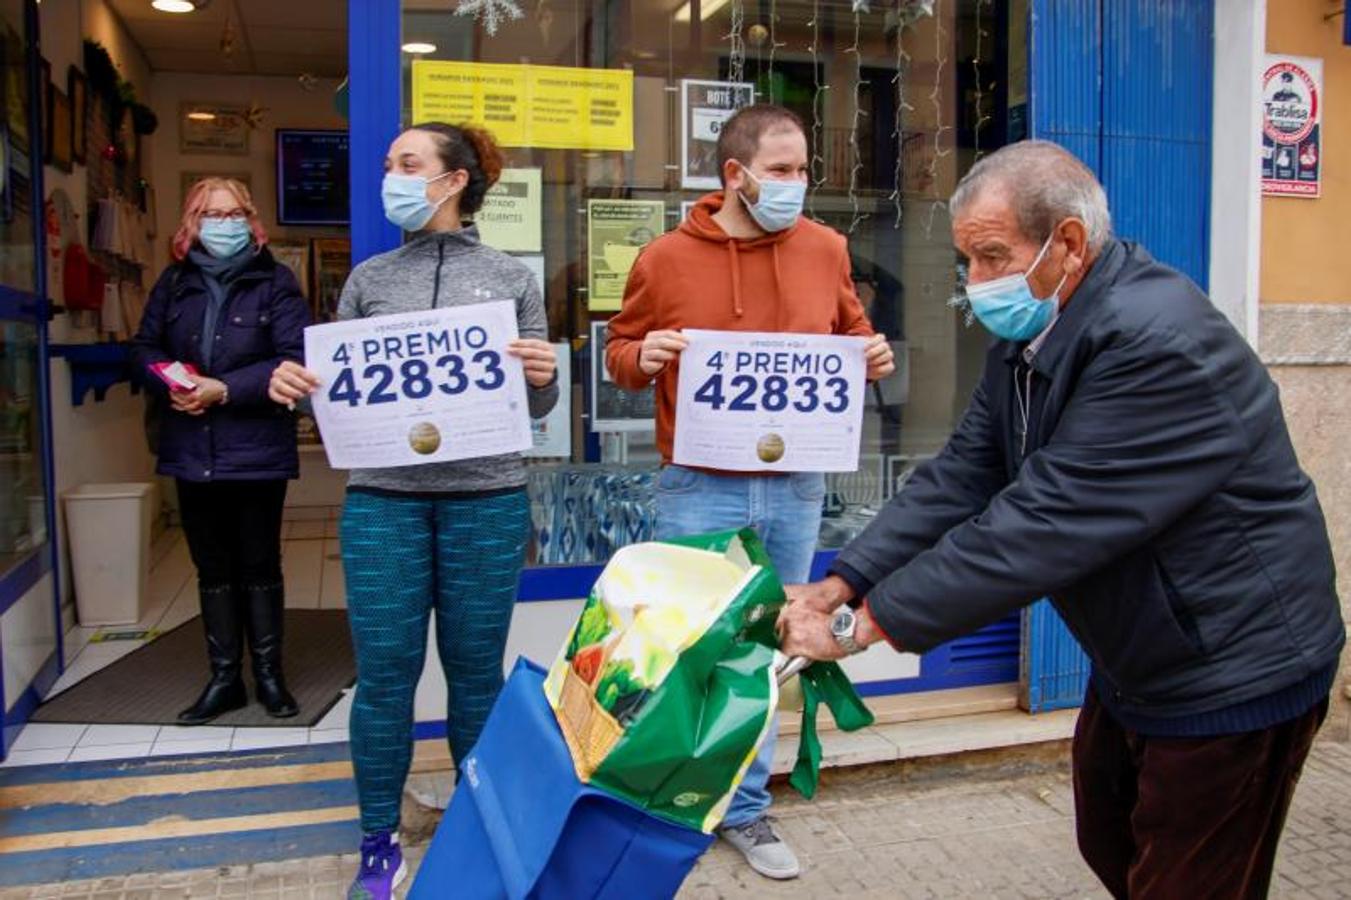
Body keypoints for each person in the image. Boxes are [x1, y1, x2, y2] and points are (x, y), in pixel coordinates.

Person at [777, 140, 1344, 899]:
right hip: (1143, 657)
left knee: (1189, 881)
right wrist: (840, 583)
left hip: (1233, 665)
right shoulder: (1033, 336)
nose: (974, 284)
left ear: (1066, 244)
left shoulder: (1155, 342)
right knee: (1109, 839)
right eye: (965, 263)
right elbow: (964, 472)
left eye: (989, 257)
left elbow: (1039, 524)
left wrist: (859, 628)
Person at [267, 123, 559, 900]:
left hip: (486, 501)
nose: (389, 176)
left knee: (475, 676)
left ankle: (474, 823)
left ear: (453, 179)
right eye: (389, 164)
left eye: (406, 164)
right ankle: (376, 838)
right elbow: (347, 392)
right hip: (384, 504)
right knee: (386, 678)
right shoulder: (369, 277)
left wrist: (542, 372)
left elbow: (540, 402)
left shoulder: (510, 278)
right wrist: (300, 386)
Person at [605, 103, 896, 881]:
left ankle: (745, 809)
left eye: (802, 170)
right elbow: (619, 354)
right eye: (780, 170)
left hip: (796, 480)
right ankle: (666, 797)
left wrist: (870, 354)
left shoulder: (826, 248)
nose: (795, 184)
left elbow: (855, 334)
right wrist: (646, 353)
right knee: (684, 643)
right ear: (733, 175)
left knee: (772, 643)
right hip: (699, 481)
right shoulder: (663, 258)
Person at [131, 178, 309, 726]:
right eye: (211, 213)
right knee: (211, 567)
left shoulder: (276, 282)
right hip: (191, 446)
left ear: (251, 221)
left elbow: (293, 357)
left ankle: (270, 677)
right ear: (192, 221)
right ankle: (225, 679)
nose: (224, 222)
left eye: (234, 213)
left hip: (254, 447)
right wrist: (172, 383)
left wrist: (224, 388)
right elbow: (144, 346)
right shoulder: (174, 282)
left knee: (258, 564)